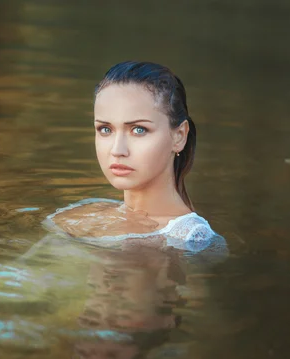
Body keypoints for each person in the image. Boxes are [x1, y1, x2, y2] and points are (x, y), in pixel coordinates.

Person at [44, 61, 226, 254]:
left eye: (139, 130)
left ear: (179, 136)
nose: (117, 150)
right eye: (105, 129)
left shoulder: (192, 241)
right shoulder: (86, 213)